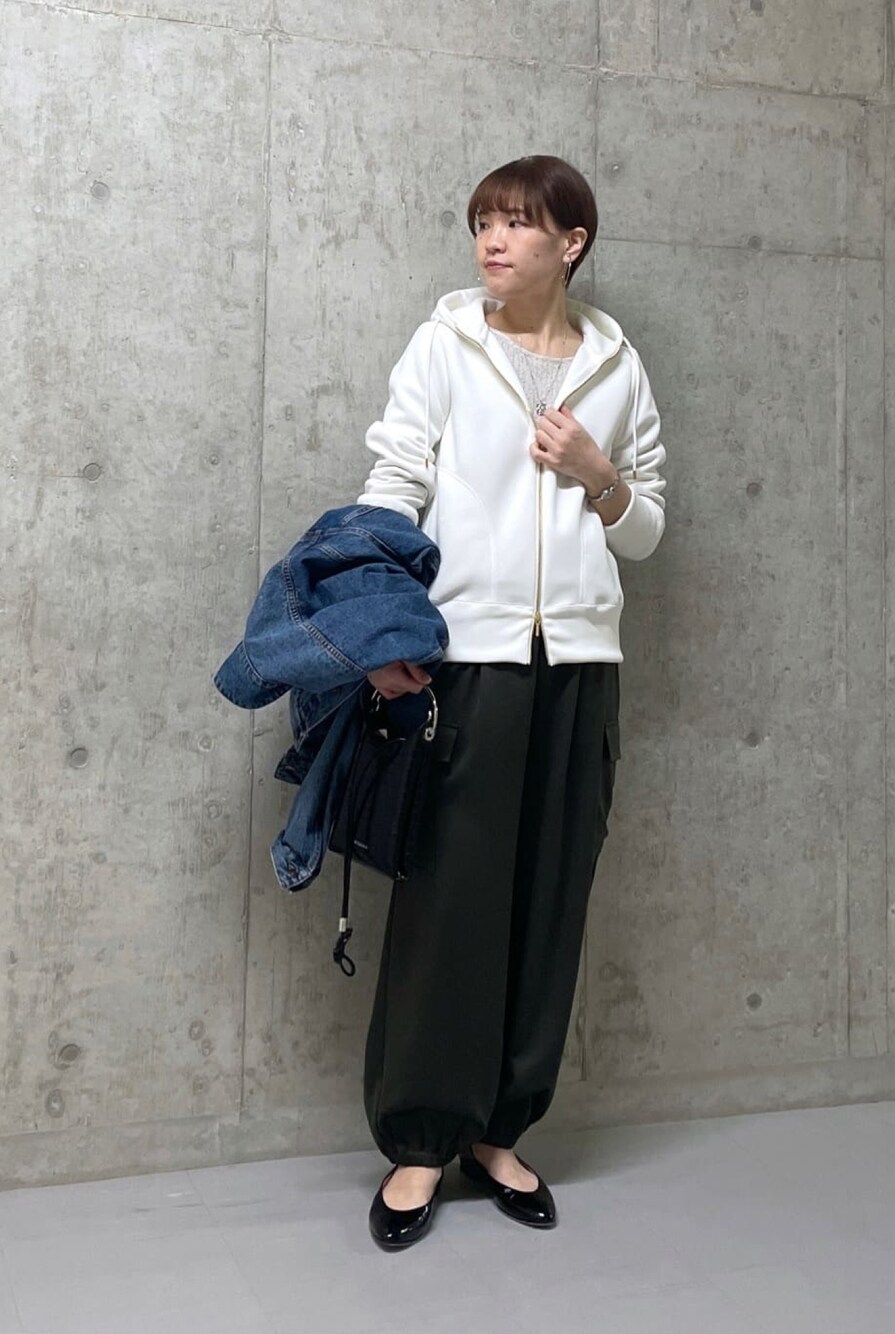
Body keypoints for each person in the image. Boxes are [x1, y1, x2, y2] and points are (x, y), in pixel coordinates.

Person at [355, 154, 666, 1249]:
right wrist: (386, 634)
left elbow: (646, 529)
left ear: (569, 243)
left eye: (517, 223)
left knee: (549, 900)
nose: (492, 240)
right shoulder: (445, 346)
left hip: (580, 666)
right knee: (450, 905)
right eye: (483, 221)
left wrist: (596, 472)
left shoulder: (618, 367)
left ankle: (500, 1132)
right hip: (470, 662)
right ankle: (420, 1142)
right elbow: (391, 488)